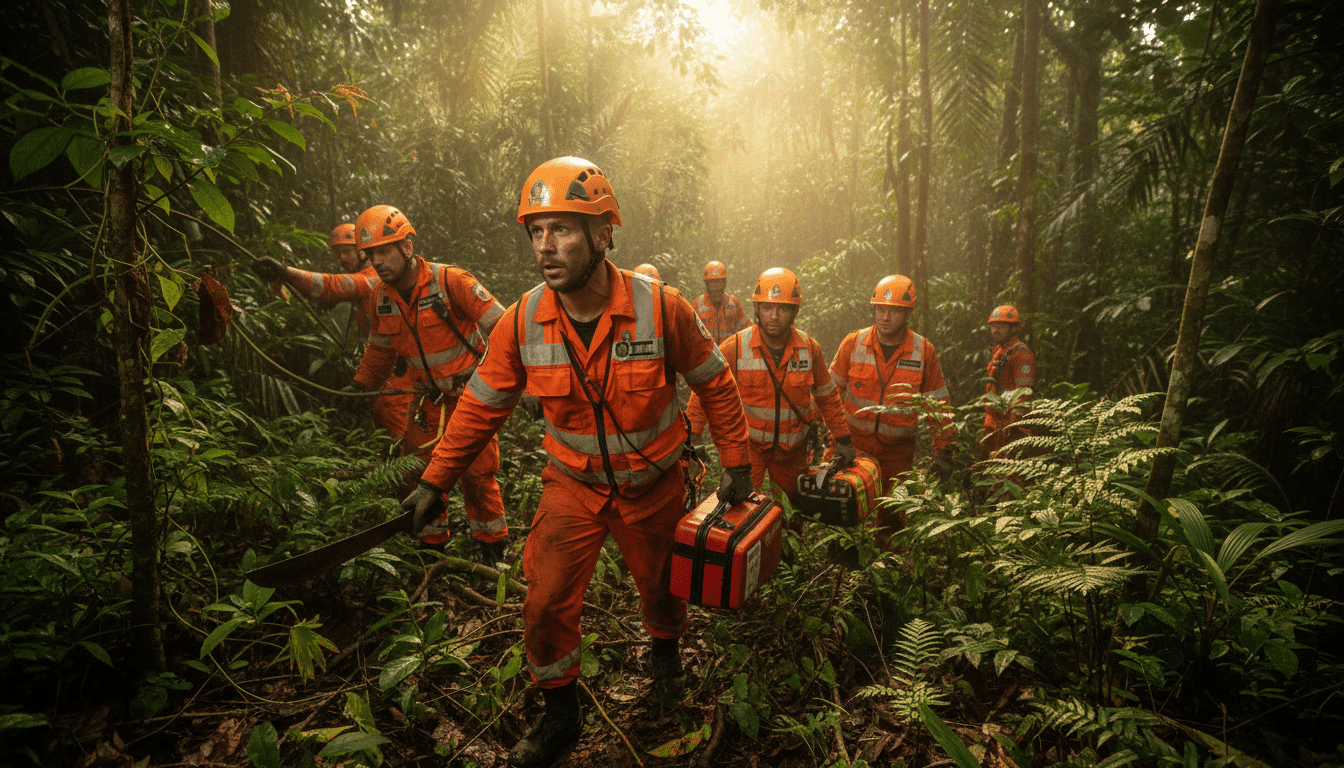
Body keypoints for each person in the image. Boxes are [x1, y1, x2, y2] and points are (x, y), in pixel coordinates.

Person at [399, 157, 753, 768]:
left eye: (561, 229)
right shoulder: (521, 323)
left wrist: (737, 461)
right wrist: (435, 481)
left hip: (655, 486)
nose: (545, 247)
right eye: (536, 232)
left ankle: (665, 657)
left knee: (662, 589)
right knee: (543, 602)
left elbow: (716, 384)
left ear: (604, 232)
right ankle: (561, 712)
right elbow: (480, 407)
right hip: (572, 489)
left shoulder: (661, 308)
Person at [252, 205, 510, 561]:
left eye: (384, 251)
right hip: (427, 402)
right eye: (371, 254)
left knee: (476, 473)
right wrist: (359, 386)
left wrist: (488, 374)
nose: (378, 261)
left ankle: (491, 548)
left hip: (471, 398)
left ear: (407, 247)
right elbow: (379, 352)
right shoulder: (381, 298)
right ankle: (432, 547)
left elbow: (504, 329)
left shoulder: (451, 281)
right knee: (415, 470)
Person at [686, 267, 854, 504]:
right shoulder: (735, 347)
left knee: (793, 513)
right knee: (742, 511)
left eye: (782, 308)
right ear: (756, 309)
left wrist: (843, 440)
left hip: (792, 451)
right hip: (749, 450)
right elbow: (706, 391)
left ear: (794, 311)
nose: (774, 316)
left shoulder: (809, 348)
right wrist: (693, 435)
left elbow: (827, 396)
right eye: (767, 308)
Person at [830, 274, 954, 538]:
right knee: (838, 504)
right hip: (853, 444)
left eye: (893, 311)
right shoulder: (853, 343)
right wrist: (814, 428)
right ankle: (842, 556)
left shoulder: (923, 351)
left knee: (893, 516)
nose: (884, 317)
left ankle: (888, 568)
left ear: (907, 314)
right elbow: (829, 394)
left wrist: (944, 451)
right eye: (880, 309)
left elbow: (938, 404)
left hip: (897, 452)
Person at [982, 304, 1036, 455]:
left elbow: (1023, 395)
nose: (996, 330)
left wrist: (1014, 429)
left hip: (1010, 429)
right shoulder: (1000, 351)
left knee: (1012, 474)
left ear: (1013, 328)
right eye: (993, 326)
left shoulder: (1022, 354)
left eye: (1001, 325)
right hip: (995, 426)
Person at [691, 260, 749, 344]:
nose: (717, 286)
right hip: (707, 355)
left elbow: (746, 330)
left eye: (720, 281)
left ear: (725, 283)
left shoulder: (733, 303)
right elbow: (689, 335)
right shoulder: (697, 305)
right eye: (712, 282)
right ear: (706, 284)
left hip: (729, 354)